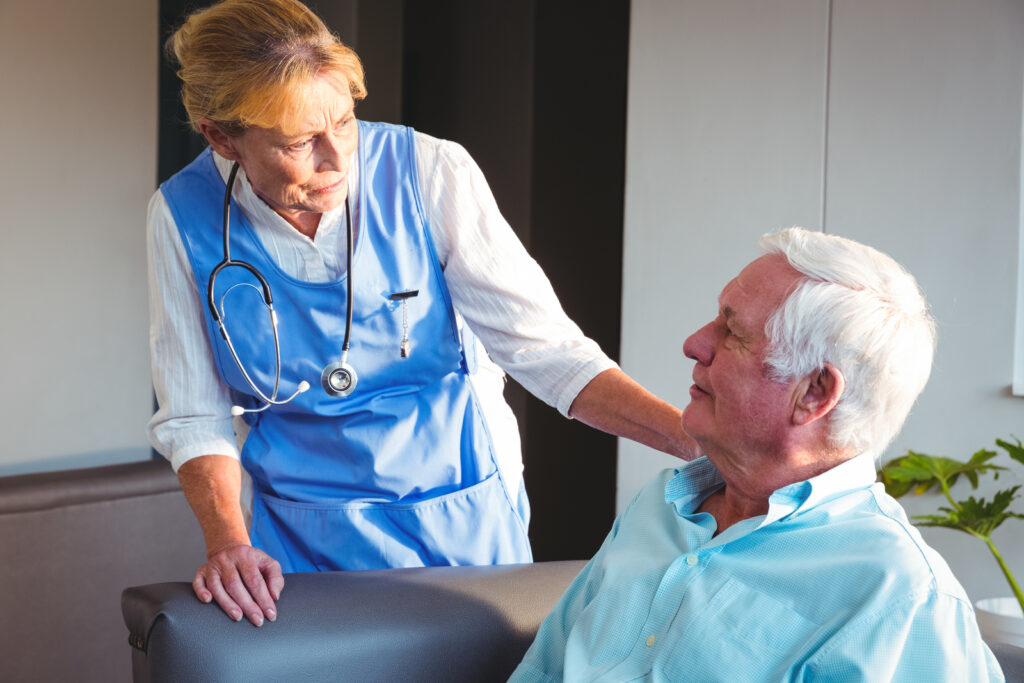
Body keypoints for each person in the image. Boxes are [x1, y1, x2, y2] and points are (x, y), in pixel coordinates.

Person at [148, 0, 695, 628]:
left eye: (345, 122)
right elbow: (195, 413)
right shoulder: (181, 215)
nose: (336, 159)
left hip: (459, 510)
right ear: (221, 136)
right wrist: (226, 539)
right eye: (300, 144)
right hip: (298, 530)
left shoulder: (429, 170)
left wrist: (704, 444)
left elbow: (548, 353)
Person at [511, 227, 1004, 682]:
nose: (694, 344)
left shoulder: (898, 596)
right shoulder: (659, 505)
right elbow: (544, 669)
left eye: (733, 332)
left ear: (814, 392)